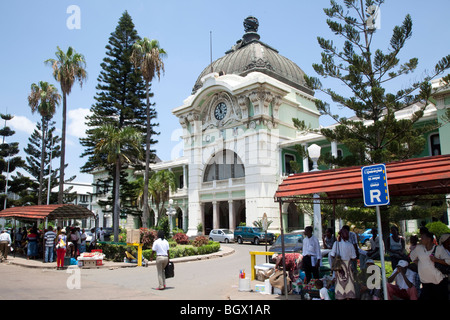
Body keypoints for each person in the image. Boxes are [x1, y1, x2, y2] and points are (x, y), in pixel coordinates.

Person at [410, 231, 450, 300]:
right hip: (425, 282)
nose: (420, 239)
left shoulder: (439, 249)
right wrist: (420, 265)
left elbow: (448, 261)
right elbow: (412, 257)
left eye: (422, 238)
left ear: (429, 239)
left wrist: (436, 260)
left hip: (438, 282)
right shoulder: (418, 248)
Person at [330, 227, 357, 300]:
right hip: (348, 266)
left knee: (339, 283)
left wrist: (337, 258)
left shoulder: (336, 244)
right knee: (349, 283)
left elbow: (332, 255)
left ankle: (340, 296)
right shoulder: (350, 245)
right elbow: (354, 257)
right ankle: (349, 296)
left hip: (339, 267)